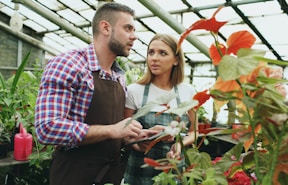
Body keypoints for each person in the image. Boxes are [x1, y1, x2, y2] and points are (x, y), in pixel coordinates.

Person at [34, 2, 147, 185]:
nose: (134, 36)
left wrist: (134, 138)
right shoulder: (68, 64)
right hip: (74, 176)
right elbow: (47, 128)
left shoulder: (119, 76)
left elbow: (114, 131)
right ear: (105, 27)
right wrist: (112, 130)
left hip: (111, 175)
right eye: (128, 28)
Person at [123, 33, 198, 185]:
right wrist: (138, 144)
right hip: (140, 168)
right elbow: (123, 132)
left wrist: (178, 145)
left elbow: (194, 132)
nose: (154, 58)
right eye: (151, 52)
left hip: (173, 168)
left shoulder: (187, 91)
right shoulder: (134, 90)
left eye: (162, 53)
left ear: (176, 60)